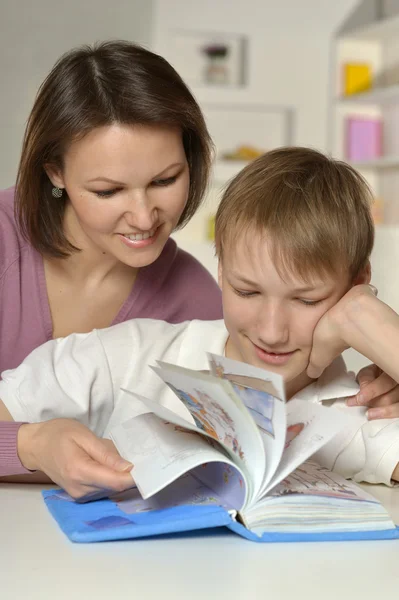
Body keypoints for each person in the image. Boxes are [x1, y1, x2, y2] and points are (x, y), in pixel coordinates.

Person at [1, 147, 399, 500]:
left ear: (356, 287)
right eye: (247, 292)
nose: (272, 331)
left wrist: (383, 332)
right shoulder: (123, 355)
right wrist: (31, 446)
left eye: (306, 300)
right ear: (222, 271)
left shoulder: (362, 410)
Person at [0, 41, 223, 478]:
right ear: (55, 173)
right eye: (108, 191)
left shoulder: (197, 303)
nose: (143, 216)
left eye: (165, 180)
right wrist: (31, 445)